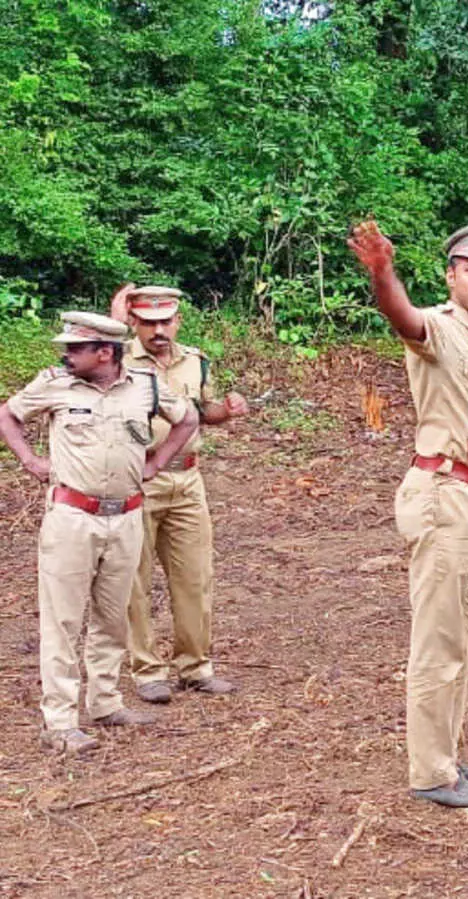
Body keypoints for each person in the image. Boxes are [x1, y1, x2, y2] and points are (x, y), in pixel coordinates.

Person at [347, 220, 468, 808]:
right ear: (452, 276)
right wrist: (383, 272)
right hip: (442, 494)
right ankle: (429, 772)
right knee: (438, 639)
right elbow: (403, 317)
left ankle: (444, 751)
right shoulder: (438, 328)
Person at [0, 312, 198, 754]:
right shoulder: (54, 383)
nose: (66, 355)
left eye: (75, 348)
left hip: (125, 516)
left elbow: (187, 419)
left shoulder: (145, 385)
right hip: (72, 517)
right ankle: (60, 721)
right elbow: (8, 416)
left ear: (104, 352)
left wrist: (156, 463)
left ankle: (105, 702)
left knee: (112, 616)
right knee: (63, 620)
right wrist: (32, 463)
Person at [107, 284, 248, 703]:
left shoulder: (194, 362)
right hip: (138, 479)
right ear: (134, 322)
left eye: (165, 321)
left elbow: (202, 412)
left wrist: (226, 410)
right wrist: (113, 328)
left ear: (178, 321)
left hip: (187, 481)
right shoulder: (115, 360)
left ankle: (195, 666)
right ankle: (147, 670)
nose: (158, 331)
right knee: (135, 578)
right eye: (148, 322)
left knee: (194, 576)